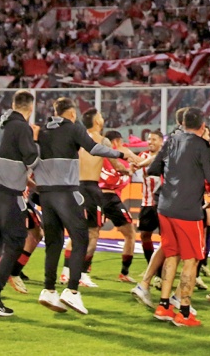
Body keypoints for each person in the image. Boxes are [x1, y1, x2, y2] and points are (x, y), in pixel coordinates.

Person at [34, 99, 131, 315]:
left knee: (53, 242)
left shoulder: (42, 130)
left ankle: (48, 290)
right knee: (81, 239)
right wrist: (121, 154)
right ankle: (72, 290)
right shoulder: (73, 127)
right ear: (71, 113)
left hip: (46, 194)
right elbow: (94, 148)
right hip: (67, 191)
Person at [149, 107, 210, 327]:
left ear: (183, 123)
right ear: (202, 126)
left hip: (165, 206)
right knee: (191, 259)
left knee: (171, 254)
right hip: (188, 210)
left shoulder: (171, 140)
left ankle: (163, 306)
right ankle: (185, 312)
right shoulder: (201, 145)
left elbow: (154, 168)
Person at [0, 90, 40, 317]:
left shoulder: (0, 125)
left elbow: (8, 159)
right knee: (16, 242)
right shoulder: (22, 127)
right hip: (8, 194)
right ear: (30, 108)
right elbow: (32, 159)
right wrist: (36, 140)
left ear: (13, 104)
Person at [99, 130, 137, 282]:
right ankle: (124, 273)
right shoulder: (118, 153)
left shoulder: (98, 155)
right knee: (130, 234)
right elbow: (134, 163)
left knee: (88, 233)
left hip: (95, 195)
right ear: (116, 142)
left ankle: (74, 271)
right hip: (109, 197)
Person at [137, 130, 164, 265]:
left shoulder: (165, 156)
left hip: (162, 203)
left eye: (154, 139)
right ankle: (151, 266)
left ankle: (164, 268)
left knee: (165, 237)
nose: (150, 142)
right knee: (145, 235)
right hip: (147, 202)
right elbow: (134, 165)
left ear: (161, 141)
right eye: (149, 139)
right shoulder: (143, 155)